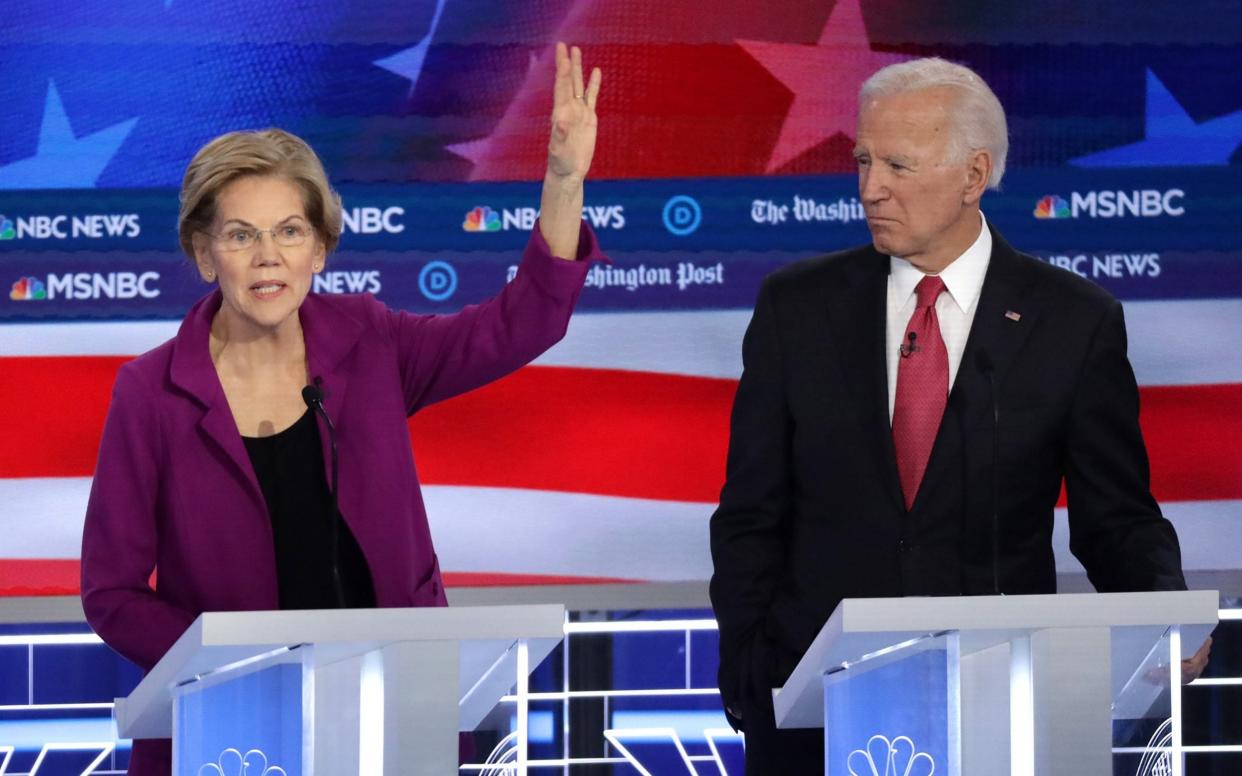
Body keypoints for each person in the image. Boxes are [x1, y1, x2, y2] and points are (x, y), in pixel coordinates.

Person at [80, 42, 603, 776]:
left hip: (391, 713)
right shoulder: (151, 392)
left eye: (290, 231)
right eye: (241, 235)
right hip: (229, 728)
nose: (269, 256)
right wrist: (238, 662)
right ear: (204, 255)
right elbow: (112, 593)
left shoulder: (370, 343)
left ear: (320, 249)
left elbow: (521, 325)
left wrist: (562, 179)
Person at [708, 57, 1209, 773]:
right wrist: (751, 676)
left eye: (898, 166)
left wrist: (1163, 606)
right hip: (812, 710)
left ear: (974, 176)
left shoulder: (1072, 322)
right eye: (863, 160)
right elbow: (750, 513)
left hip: (998, 700)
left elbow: (1118, 517)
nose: (869, 187)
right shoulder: (798, 308)